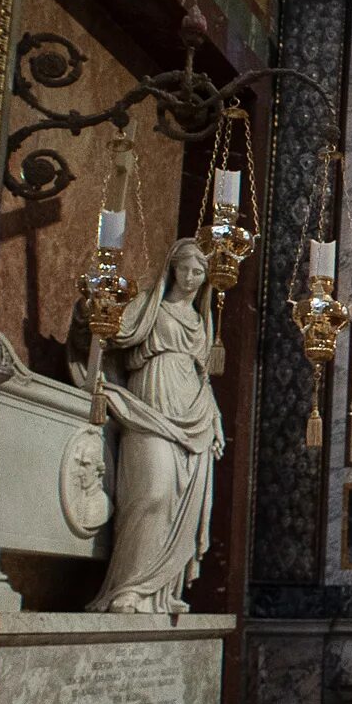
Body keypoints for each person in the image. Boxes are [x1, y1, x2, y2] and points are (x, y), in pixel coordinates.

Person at [74, 237, 225, 613]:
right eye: (184, 269)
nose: (190, 278)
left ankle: (161, 593)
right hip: (149, 404)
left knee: (177, 505)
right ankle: (128, 587)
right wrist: (91, 310)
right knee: (151, 493)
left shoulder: (200, 319)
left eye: (198, 272)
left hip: (194, 412)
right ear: (172, 269)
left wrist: (216, 419)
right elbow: (113, 330)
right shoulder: (150, 304)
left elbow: (202, 375)